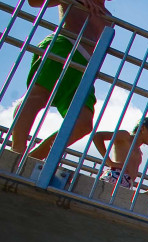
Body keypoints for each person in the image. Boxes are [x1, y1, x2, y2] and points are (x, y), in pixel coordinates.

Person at [11, 0, 113, 161]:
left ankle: (33, 157)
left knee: (84, 122)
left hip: (85, 66)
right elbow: (33, 2)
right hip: (65, 44)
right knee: (38, 96)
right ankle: (16, 151)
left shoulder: (108, 16)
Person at [90, 116, 148, 188]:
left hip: (127, 183)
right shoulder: (125, 136)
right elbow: (97, 136)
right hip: (115, 176)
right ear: (142, 128)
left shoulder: (139, 153)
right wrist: (109, 162)